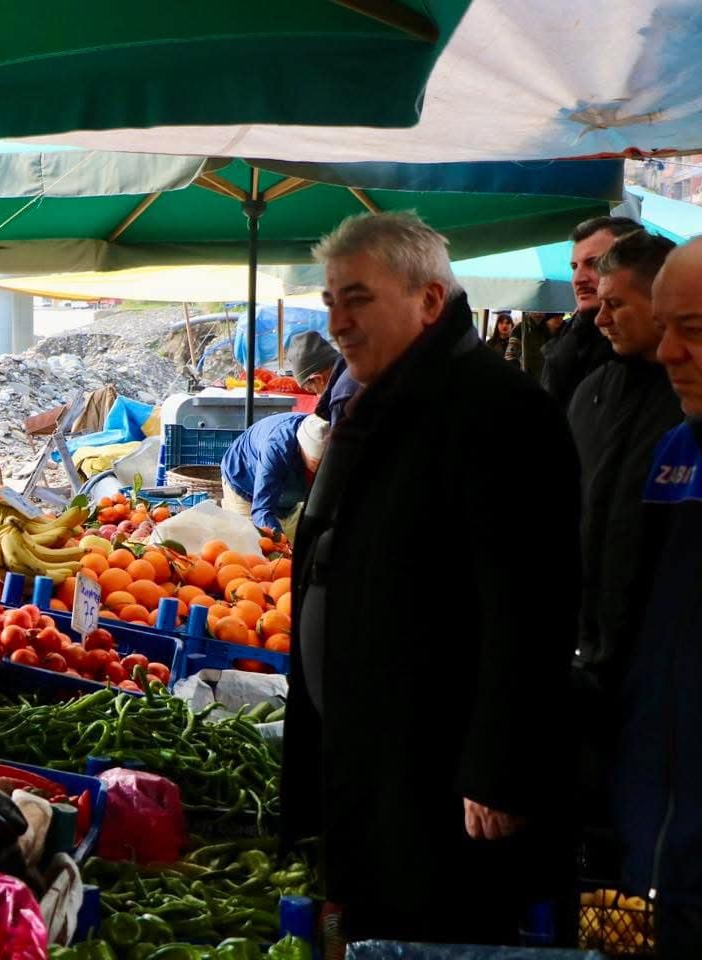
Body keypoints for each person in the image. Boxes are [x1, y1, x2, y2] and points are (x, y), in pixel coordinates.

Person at [282, 212, 579, 945]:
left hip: (439, 781)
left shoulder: (499, 410)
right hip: (372, 760)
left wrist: (498, 769)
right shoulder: (377, 401)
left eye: (358, 299)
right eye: (330, 301)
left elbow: (532, 607)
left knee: (437, 933)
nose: (338, 323)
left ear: (430, 300)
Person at [613, 238, 702, 960]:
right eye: (666, 327)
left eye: (693, 330)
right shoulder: (676, 452)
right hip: (659, 849)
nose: (668, 352)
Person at [568, 229, 680, 700]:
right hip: (585, 656)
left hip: (664, 666)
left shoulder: (689, 398)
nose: (600, 319)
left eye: (616, 305)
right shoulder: (590, 392)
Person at [542, 216, 643, 407]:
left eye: (594, 263)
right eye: (574, 267)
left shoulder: (652, 350)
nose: (578, 278)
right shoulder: (568, 341)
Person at [218, 412, 329, 534]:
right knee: (249, 538)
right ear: (302, 449)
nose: (319, 469)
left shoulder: (337, 444)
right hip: (244, 483)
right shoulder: (277, 447)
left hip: (287, 499)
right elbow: (262, 509)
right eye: (315, 462)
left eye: (325, 464)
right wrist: (278, 540)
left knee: (291, 540)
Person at [506, 311, 564, 378]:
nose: (538, 313)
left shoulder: (546, 329)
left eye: (541, 310)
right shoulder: (520, 329)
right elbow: (510, 357)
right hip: (527, 379)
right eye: (534, 310)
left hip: (544, 379)